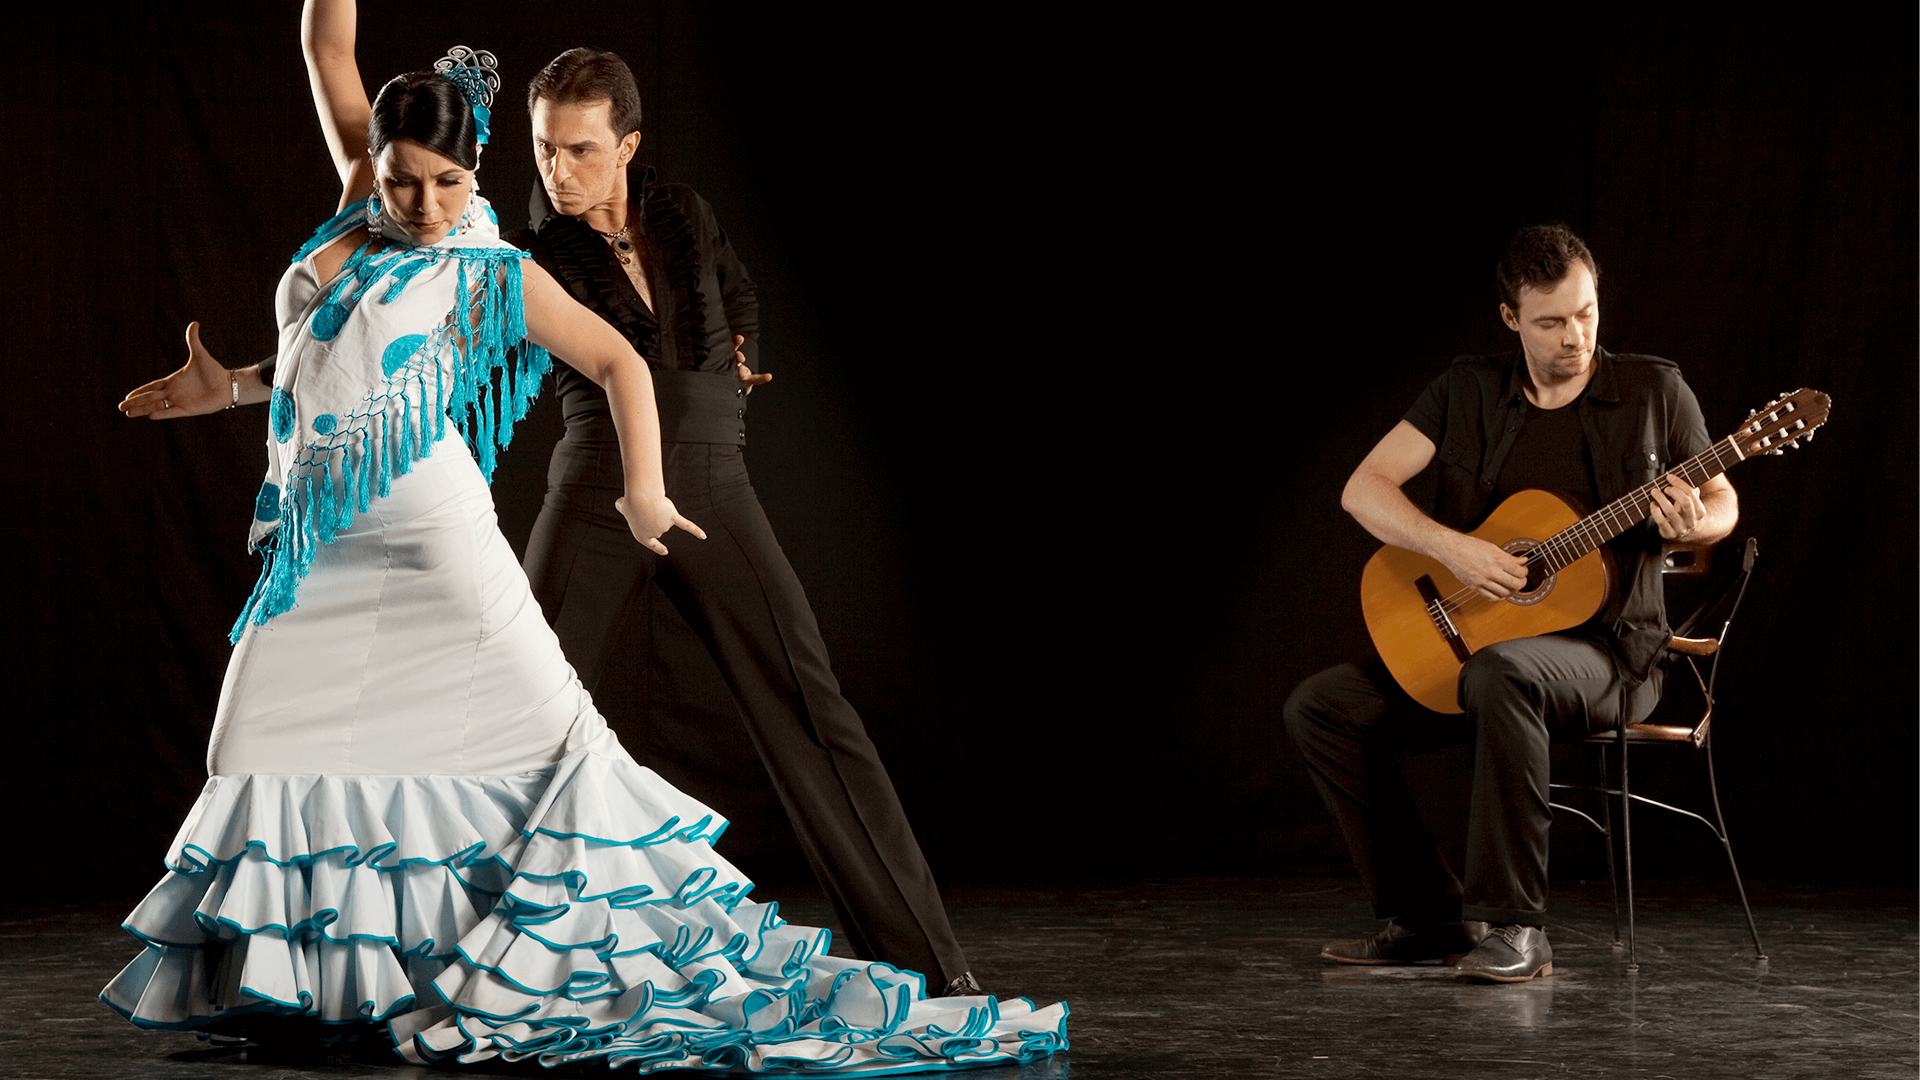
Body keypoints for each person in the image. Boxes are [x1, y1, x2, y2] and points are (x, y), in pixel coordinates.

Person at [105, 1, 1067, 1070]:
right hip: (322, 556)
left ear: (481, 172)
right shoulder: (373, 214)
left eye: (449, 181)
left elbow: (624, 359)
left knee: (590, 752)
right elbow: (328, 52)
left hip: (481, 535)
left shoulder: (500, 263)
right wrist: (234, 388)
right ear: (375, 165)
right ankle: (325, 988)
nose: (424, 203)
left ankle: (883, 960)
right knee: (255, 757)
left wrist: (649, 489)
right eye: (402, 179)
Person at [1282, 224, 1737, 983]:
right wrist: (1454, 549)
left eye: (1587, 313)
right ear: (1509, 319)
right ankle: (1425, 916)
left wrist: (1699, 519)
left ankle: (1515, 926)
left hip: (1613, 656)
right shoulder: (1466, 390)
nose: (1576, 337)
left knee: (1503, 673)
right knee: (1320, 706)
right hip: (1476, 639)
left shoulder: (1656, 391)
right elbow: (1361, 489)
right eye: (1552, 322)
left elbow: (1722, 500)